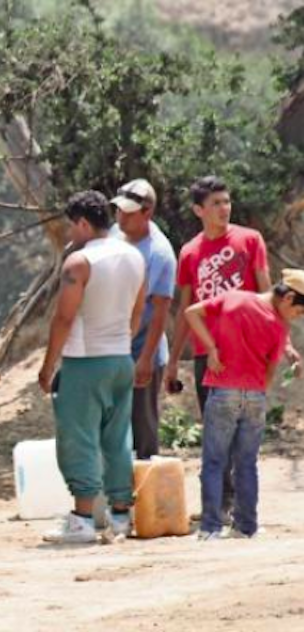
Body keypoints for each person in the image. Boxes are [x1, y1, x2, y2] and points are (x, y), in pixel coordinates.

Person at [163, 176, 299, 518]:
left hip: (249, 350)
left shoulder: (250, 240)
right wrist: (171, 361)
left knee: (244, 427)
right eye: (216, 204)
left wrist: (285, 342)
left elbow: (271, 293)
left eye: (227, 202)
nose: (224, 209)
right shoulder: (190, 252)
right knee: (215, 428)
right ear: (199, 210)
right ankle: (221, 503)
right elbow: (185, 309)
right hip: (209, 353)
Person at [38, 191, 146, 544]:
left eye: (72, 226)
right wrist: (121, 343)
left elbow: (64, 318)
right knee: (117, 439)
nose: (71, 234)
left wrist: (48, 365)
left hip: (85, 361)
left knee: (78, 437)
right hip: (120, 358)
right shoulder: (134, 256)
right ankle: (119, 516)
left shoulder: (79, 264)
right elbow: (137, 311)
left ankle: (82, 519)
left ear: (83, 223)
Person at [184, 269, 304, 540]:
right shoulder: (277, 325)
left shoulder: (233, 298)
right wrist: (260, 391)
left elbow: (191, 312)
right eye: (298, 312)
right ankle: (246, 526)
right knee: (247, 463)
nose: (296, 318)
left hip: (223, 389)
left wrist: (211, 349)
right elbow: (270, 369)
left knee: (214, 461)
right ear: (289, 299)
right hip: (255, 395)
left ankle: (211, 527)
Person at [109, 179, 176, 459]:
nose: (120, 217)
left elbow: (160, 312)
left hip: (141, 349)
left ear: (147, 213)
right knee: (112, 422)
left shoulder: (159, 254)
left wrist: (146, 359)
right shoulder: (114, 234)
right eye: (118, 210)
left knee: (142, 424)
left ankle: (145, 489)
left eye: (128, 212)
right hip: (112, 346)